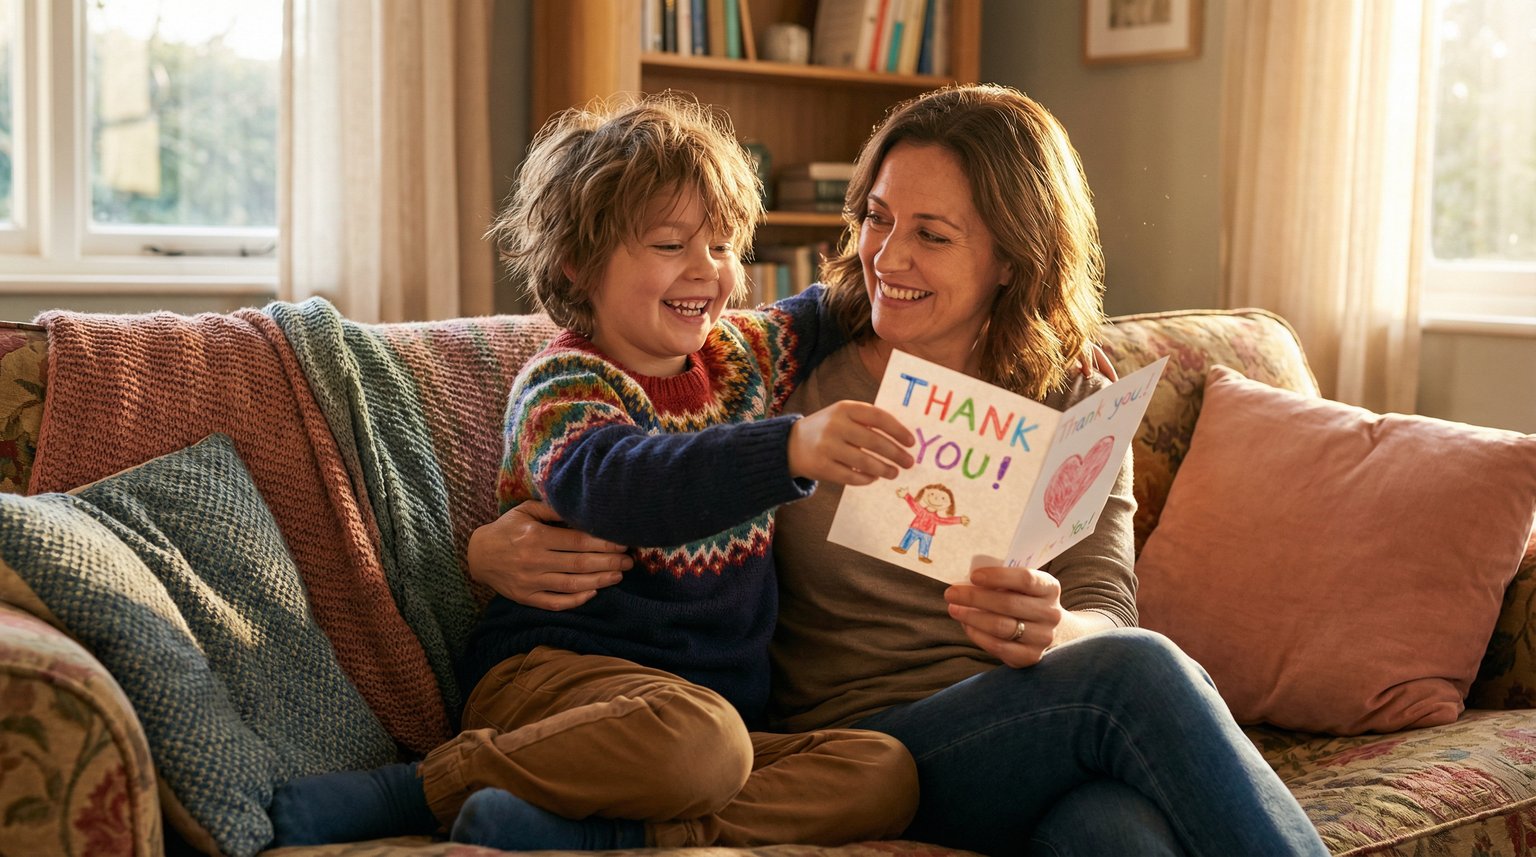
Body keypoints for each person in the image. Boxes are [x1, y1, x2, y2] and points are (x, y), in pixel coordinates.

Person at [469, 84, 1330, 857]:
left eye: (932, 234)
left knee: (1116, 833)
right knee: (1143, 673)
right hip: (857, 747)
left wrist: (1056, 627)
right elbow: (641, 449)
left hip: (1032, 729)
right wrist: (485, 548)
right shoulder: (782, 366)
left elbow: (1108, 607)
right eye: (878, 218)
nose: (886, 257)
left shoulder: (1075, 397)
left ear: (1011, 256)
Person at [268, 92, 922, 851]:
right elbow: (621, 483)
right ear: (580, 261)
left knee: (885, 770)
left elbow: (854, 299)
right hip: (556, 686)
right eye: (671, 244)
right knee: (704, 742)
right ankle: (423, 787)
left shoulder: (747, 353)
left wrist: (1042, 329)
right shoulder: (565, 383)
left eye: (720, 245)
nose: (705, 271)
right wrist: (787, 448)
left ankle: (602, 836)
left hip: (705, 721)